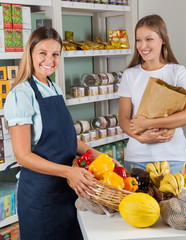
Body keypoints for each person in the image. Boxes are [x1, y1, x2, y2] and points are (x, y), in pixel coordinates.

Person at [4, 26, 120, 240]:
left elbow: (68, 140)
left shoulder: (53, 87)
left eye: (55, 54)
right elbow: (23, 156)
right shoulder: (21, 94)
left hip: (68, 189)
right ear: (30, 53)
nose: (50, 60)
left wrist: (102, 157)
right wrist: (69, 172)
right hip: (41, 195)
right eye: (43, 53)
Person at [118, 14, 186, 174]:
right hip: (136, 158)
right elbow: (123, 119)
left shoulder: (178, 72)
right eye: (138, 40)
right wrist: (141, 137)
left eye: (149, 39)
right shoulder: (130, 74)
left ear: (163, 39)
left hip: (173, 158)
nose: (143, 45)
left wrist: (147, 124)